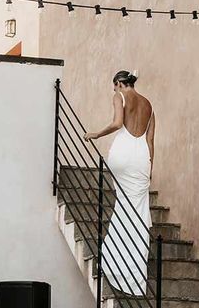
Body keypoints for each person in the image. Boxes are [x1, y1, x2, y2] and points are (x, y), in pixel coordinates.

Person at [83, 70, 154, 296]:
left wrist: (96, 134)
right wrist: (150, 168)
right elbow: (150, 140)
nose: (114, 91)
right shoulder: (150, 106)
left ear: (119, 84)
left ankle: (115, 262)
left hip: (123, 153)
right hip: (142, 158)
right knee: (138, 210)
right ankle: (132, 270)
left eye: (114, 87)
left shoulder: (120, 96)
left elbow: (117, 123)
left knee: (124, 205)